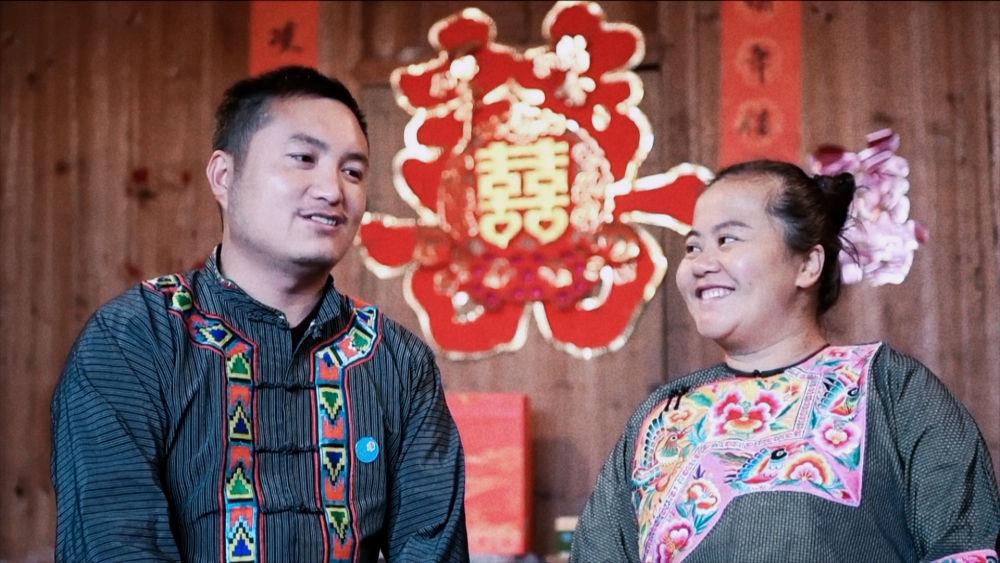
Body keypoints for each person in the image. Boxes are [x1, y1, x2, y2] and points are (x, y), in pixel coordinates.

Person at [51, 65, 469, 562]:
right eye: (303, 159)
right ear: (224, 177)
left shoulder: (398, 362)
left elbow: (433, 549)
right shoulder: (134, 339)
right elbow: (112, 544)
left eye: (352, 171)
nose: (332, 190)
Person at [571, 160, 1000, 562]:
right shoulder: (662, 416)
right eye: (692, 246)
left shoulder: (891, 389)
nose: (700, 264)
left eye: (727, 239)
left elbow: (964, 548)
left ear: (808, 264)